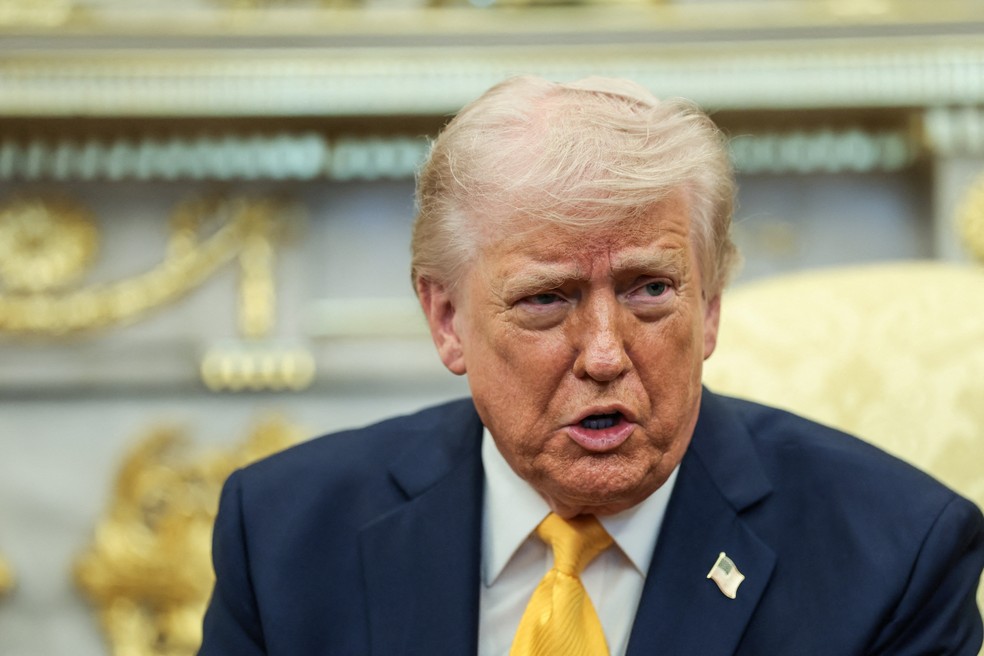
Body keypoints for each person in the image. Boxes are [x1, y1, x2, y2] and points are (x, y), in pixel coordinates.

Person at [198, 76, 984, 655]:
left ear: (709, 307)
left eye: (651, 290)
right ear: (446, 319)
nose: (606, 354)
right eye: (546, 299)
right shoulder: (285, 537)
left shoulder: (897, 556)